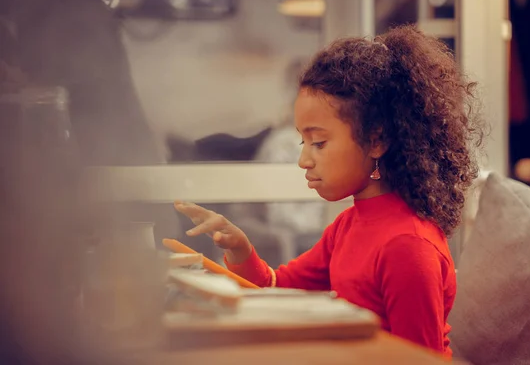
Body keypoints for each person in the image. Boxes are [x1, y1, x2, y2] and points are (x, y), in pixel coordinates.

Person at [175, 25, 484, 357]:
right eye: (302, 141)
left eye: (318, 142)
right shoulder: (348, 227)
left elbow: (419, 361)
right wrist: (239, 247)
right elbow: (276, 287)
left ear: (377, 140)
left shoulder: (408, 247)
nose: (304, 160)